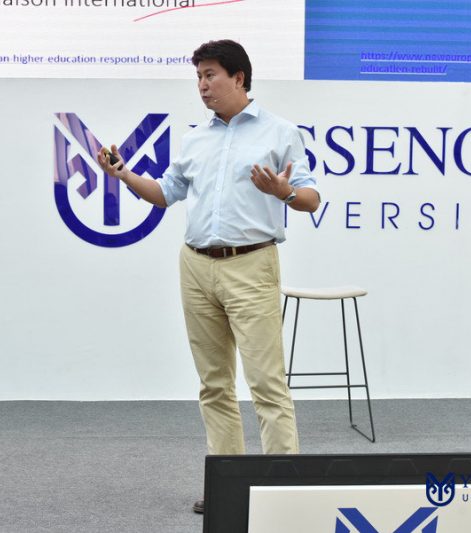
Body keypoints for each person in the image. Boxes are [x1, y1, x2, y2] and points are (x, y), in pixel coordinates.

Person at [96, 39, 320, 514]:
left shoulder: (280, 132)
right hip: (196, 266)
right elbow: (165, 194)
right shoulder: (195, 138)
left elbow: (310, 198)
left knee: (266, 384)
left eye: (210, 75)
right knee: (214, 384)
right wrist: (124, 175)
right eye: (198, 77)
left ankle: (283, 489)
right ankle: (229, 485)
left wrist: (283, 192)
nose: (202, 85)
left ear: (239, 78)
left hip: (251, 264)